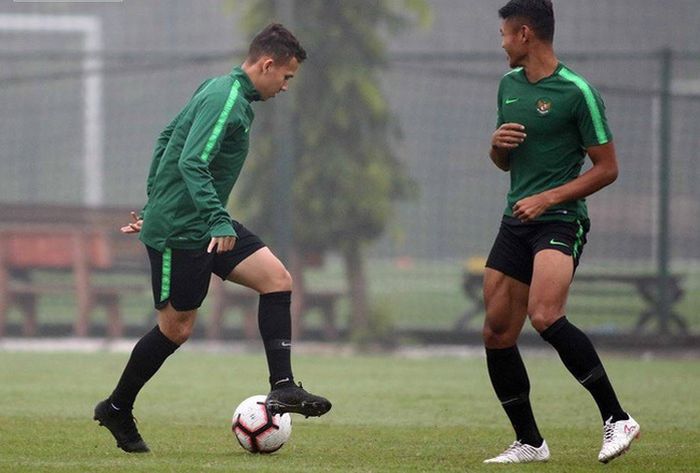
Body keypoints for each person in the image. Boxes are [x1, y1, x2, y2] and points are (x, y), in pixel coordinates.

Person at [93, 23, 331, 454]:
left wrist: (160, 203)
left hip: (204, 221)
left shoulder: (225, 91)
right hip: (184, 232)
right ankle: (115, 407)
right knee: (176, 330)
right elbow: (191, 160)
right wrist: (169, 211)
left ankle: (283, 387)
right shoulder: (226, 99)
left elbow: (168, 137)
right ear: (267, 64)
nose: (285, 87)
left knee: (277, 280)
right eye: (286, 77)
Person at [481, 0, 639, 464]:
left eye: (505, 34)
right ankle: (529, 441)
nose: (502, 43)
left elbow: (607, 168)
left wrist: (550, 198)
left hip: (560, 218)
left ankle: (618, 418)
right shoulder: (508, 85)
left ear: (525, 34)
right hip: (516, 219)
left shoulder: (577, 92)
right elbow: (503, 161)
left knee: (546, 315)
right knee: (496, 331)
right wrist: (495, 147)